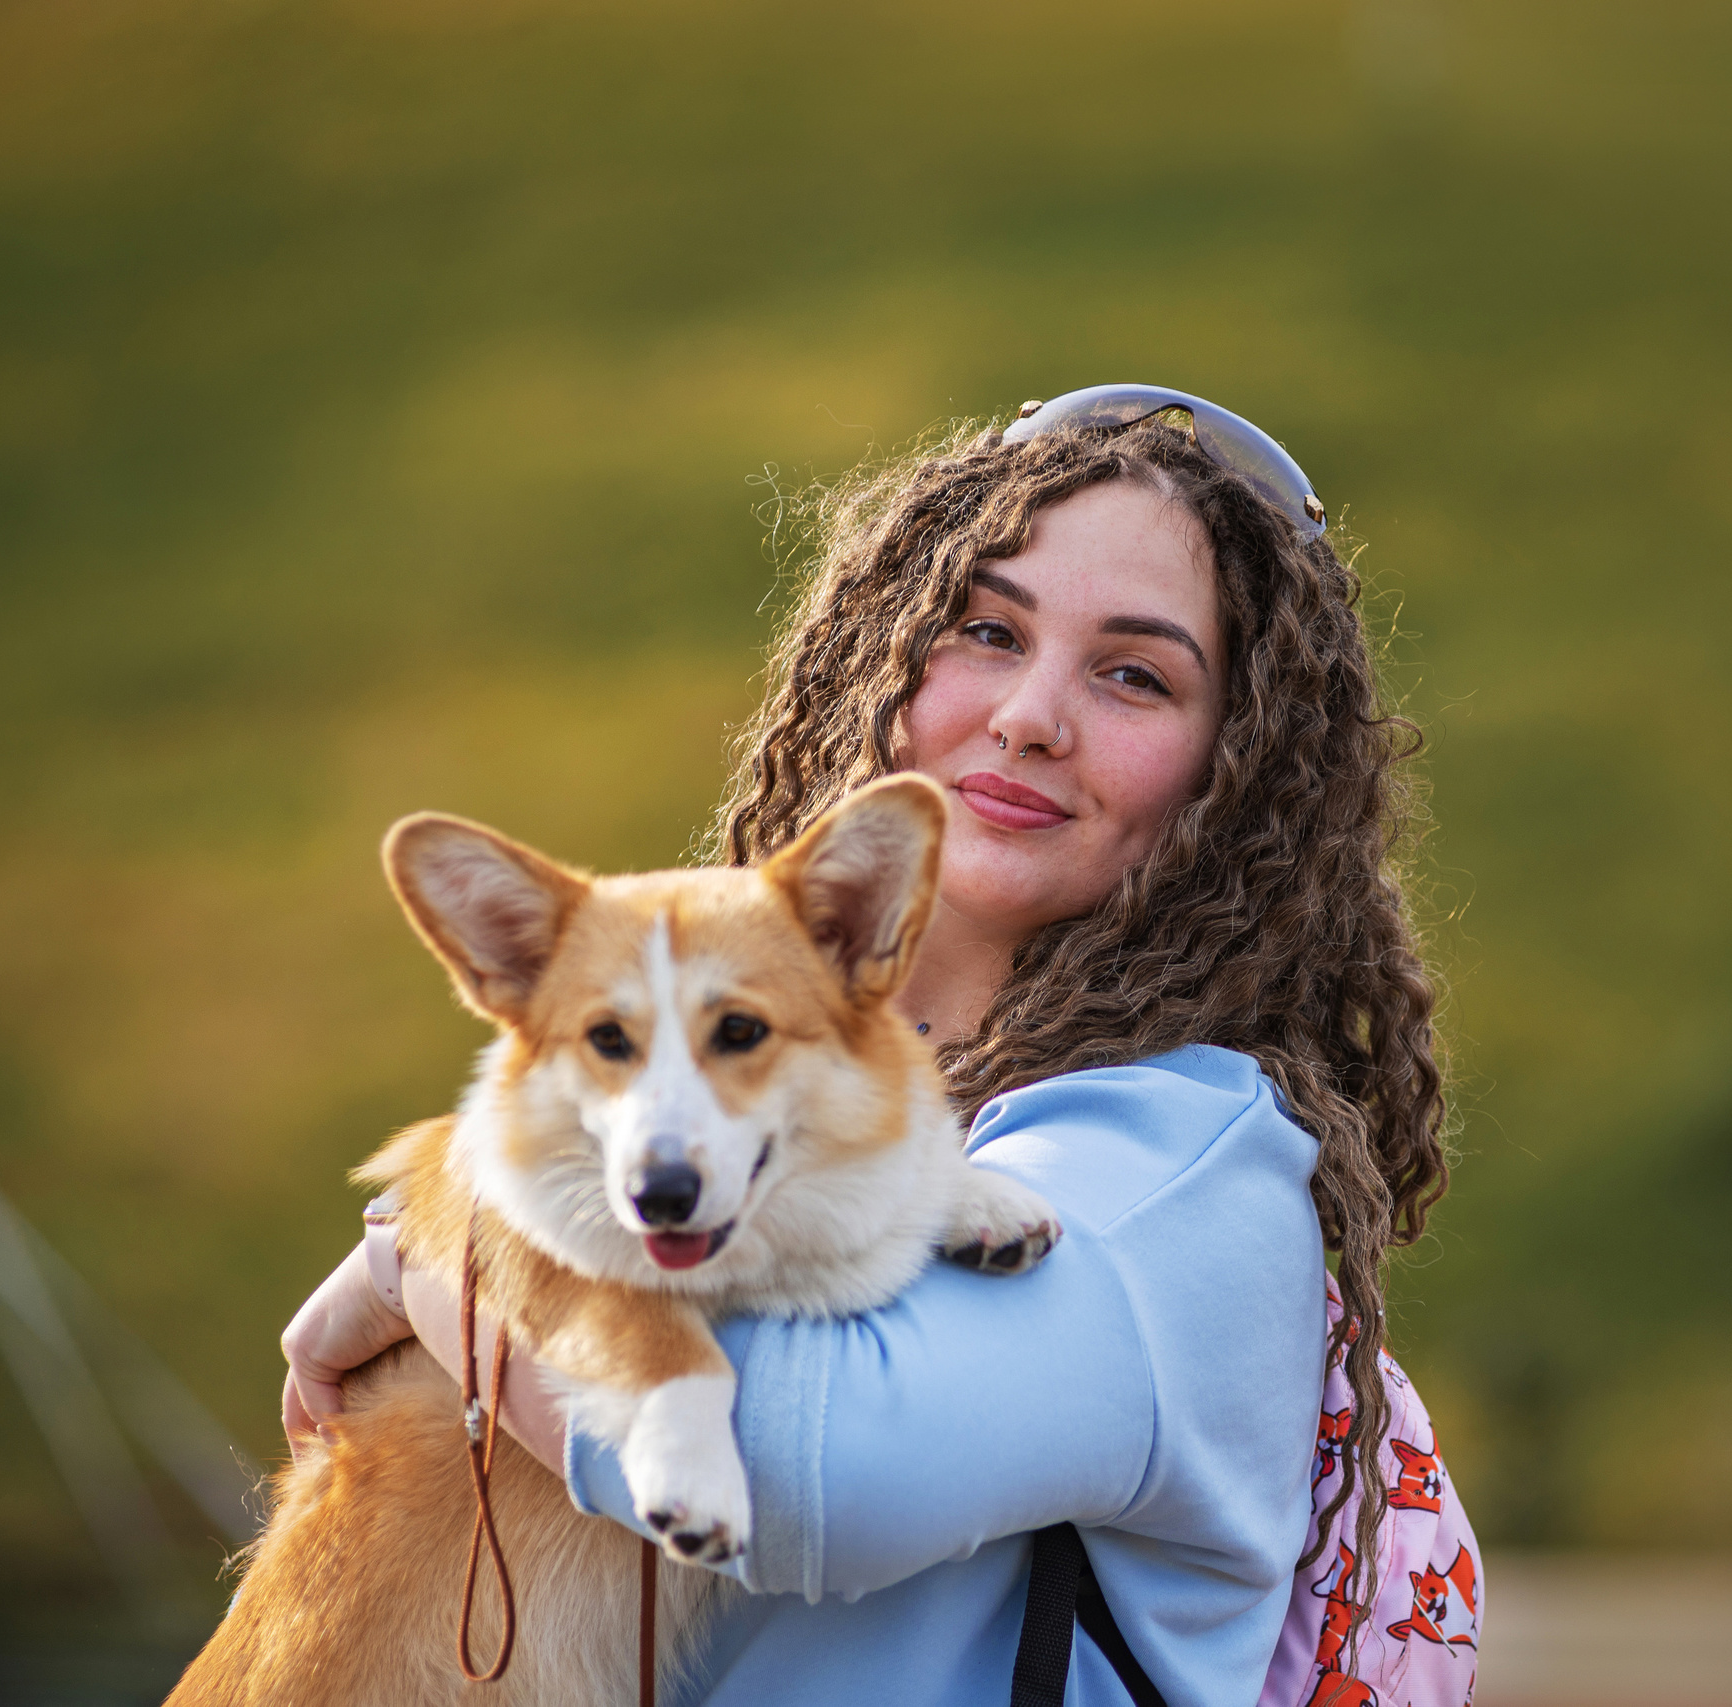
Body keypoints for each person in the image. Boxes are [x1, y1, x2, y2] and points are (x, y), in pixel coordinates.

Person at [278, 386, 1459, 1705]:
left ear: (1236, 771)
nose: (1029, 715)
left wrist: (428, 1251)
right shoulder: (772, 1091)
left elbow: (796, 1473)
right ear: (887, 654)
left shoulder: (1178, 1170)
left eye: (1134, 673)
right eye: (985, 629)